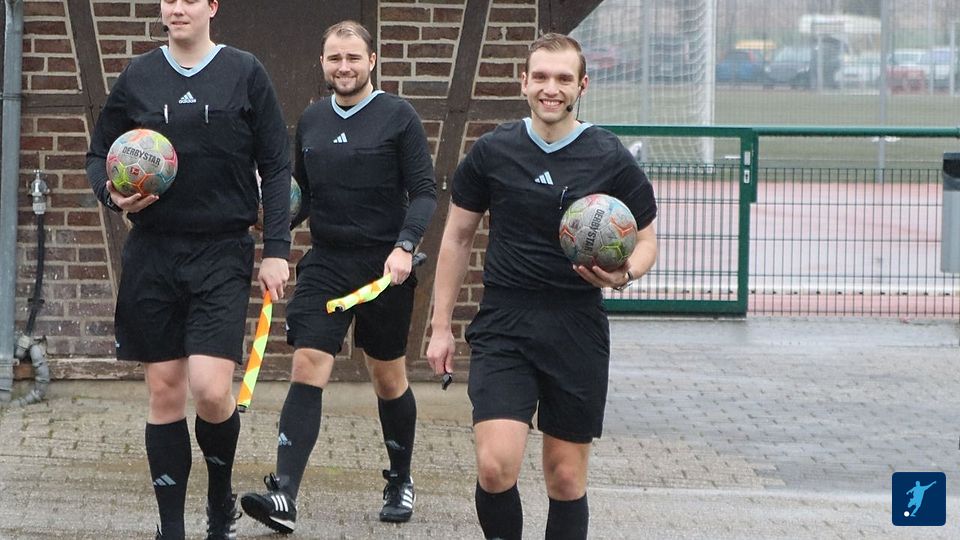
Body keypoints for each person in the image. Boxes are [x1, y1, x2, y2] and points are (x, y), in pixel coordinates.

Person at [426, 33, 658, 540]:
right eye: (541, 77)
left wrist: (625, 274)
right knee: (495, 466)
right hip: (505, 323)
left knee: (566, 477)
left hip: (576, 326)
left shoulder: (608, 155)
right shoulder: (493, 150)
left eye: (563, 79)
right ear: (524, 82)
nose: (551, 88)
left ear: (582, 86)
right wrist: (440, 327)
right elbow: (457, 238)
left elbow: (646, 241)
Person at [85, 1, 291, 539]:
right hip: (153, 252)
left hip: (222, 249)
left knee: (211, 389)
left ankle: (219, 498)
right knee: (165, 391)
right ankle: (171, 527)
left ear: (212, 7)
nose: (177, 8)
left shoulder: (244, 72)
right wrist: (110, 194)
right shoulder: (139, 75)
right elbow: (97, 155)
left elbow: (275, 163)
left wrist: (276, 249)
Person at [240, 20, 437, 533]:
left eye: (353, 57)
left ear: (372, 61)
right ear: (323, 64)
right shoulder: (311, 120)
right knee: (308, 364)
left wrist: (405, 247)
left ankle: (400, 478)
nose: (344, 67)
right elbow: (302, 195)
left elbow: (424, 192)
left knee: (388, 377)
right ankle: (284, 495)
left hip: (386, 267)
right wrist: (272, 219)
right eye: (334, 58)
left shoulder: (399, 116)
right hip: (327, 263)